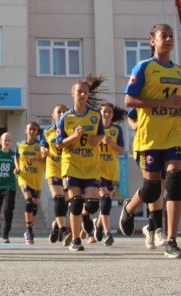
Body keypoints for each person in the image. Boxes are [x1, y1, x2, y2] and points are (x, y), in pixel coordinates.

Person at [119, 24, 181, 258]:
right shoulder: (143, 68)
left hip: (174, 136)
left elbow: (177, 104)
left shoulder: (179, 72)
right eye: (164, 36)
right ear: (153, 41)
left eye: (172, 36)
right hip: (150, 138)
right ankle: (130, 208)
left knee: (174, 184)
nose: (169, 39)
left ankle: (171, 240)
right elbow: (129, 100)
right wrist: (163, 104)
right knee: (152, 191)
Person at [55, 75, 106, 251]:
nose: (83, 94)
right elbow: (59, 143)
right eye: (79, 91)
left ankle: (86, 216)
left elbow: (102, 134)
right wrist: (74, 136)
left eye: (85, 92)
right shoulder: (67, 118)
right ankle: (76, 239)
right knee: (75, 202)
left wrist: (97, 139)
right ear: (73, 94)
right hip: (72, 164)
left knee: (92, 203)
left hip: (91, 164)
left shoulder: (95, 115)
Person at [127, 108, 166, 250]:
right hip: (147, 145)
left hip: (167, 145)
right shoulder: (149, 91)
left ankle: (150, 229)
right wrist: (133, 124)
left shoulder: (174, 90)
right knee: (153, 187)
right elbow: (131, 115)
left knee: (161, 188)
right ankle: (158, 229)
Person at [95, 102, 127, 246]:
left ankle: (99, 224)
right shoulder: (96, 129)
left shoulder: (116, 130)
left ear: (112, 115)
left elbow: (121, 149)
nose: (106, 114)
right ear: (100, 113)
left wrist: (110, 143)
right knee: (106, 199)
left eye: (109, 112)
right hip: (98, 169)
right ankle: (107, 233)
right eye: (104, 111)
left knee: (107, 202)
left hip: (112, 169)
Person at [40, 104, 71, 245]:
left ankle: (56, 226)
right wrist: (44, 152)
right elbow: (42, 147)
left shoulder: (71, 131)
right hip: (53, 168)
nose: (61, 114)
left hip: (67, 169)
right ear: (53, 115)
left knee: (66, 203)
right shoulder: (47, 132)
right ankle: (64, 231)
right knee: (58, 199)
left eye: (64, 112)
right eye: (59, 112)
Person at [14, 122, 45, 245]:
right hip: (24, 177)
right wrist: (17, 167)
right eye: (30, 129)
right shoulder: (20, 144)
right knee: (29, 201)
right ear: (25, 130)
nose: (32, 131)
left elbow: (46, 160)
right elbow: (16, 156)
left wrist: (36, 159)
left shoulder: (40, 145)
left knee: (34, 205)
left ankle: (31, 227)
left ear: (37, 132)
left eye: (34, 130)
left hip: (36, 178)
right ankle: (29, 230)